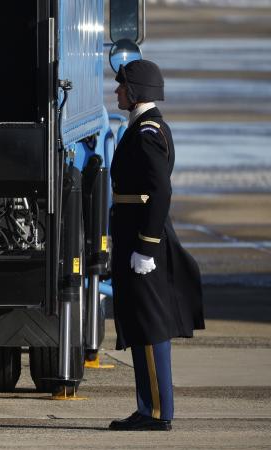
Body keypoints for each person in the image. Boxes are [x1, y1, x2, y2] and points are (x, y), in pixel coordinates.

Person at [108, 59, 205, 431]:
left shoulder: (147, 132)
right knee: (140, 324)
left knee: (149, 326)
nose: (117, 91)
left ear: (136, 93)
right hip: (135, 235)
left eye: (122, 87)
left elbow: (160, 191)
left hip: (142, 240)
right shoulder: (141, 127)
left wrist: (146, 247)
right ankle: (148, 407)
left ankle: (157, 411)